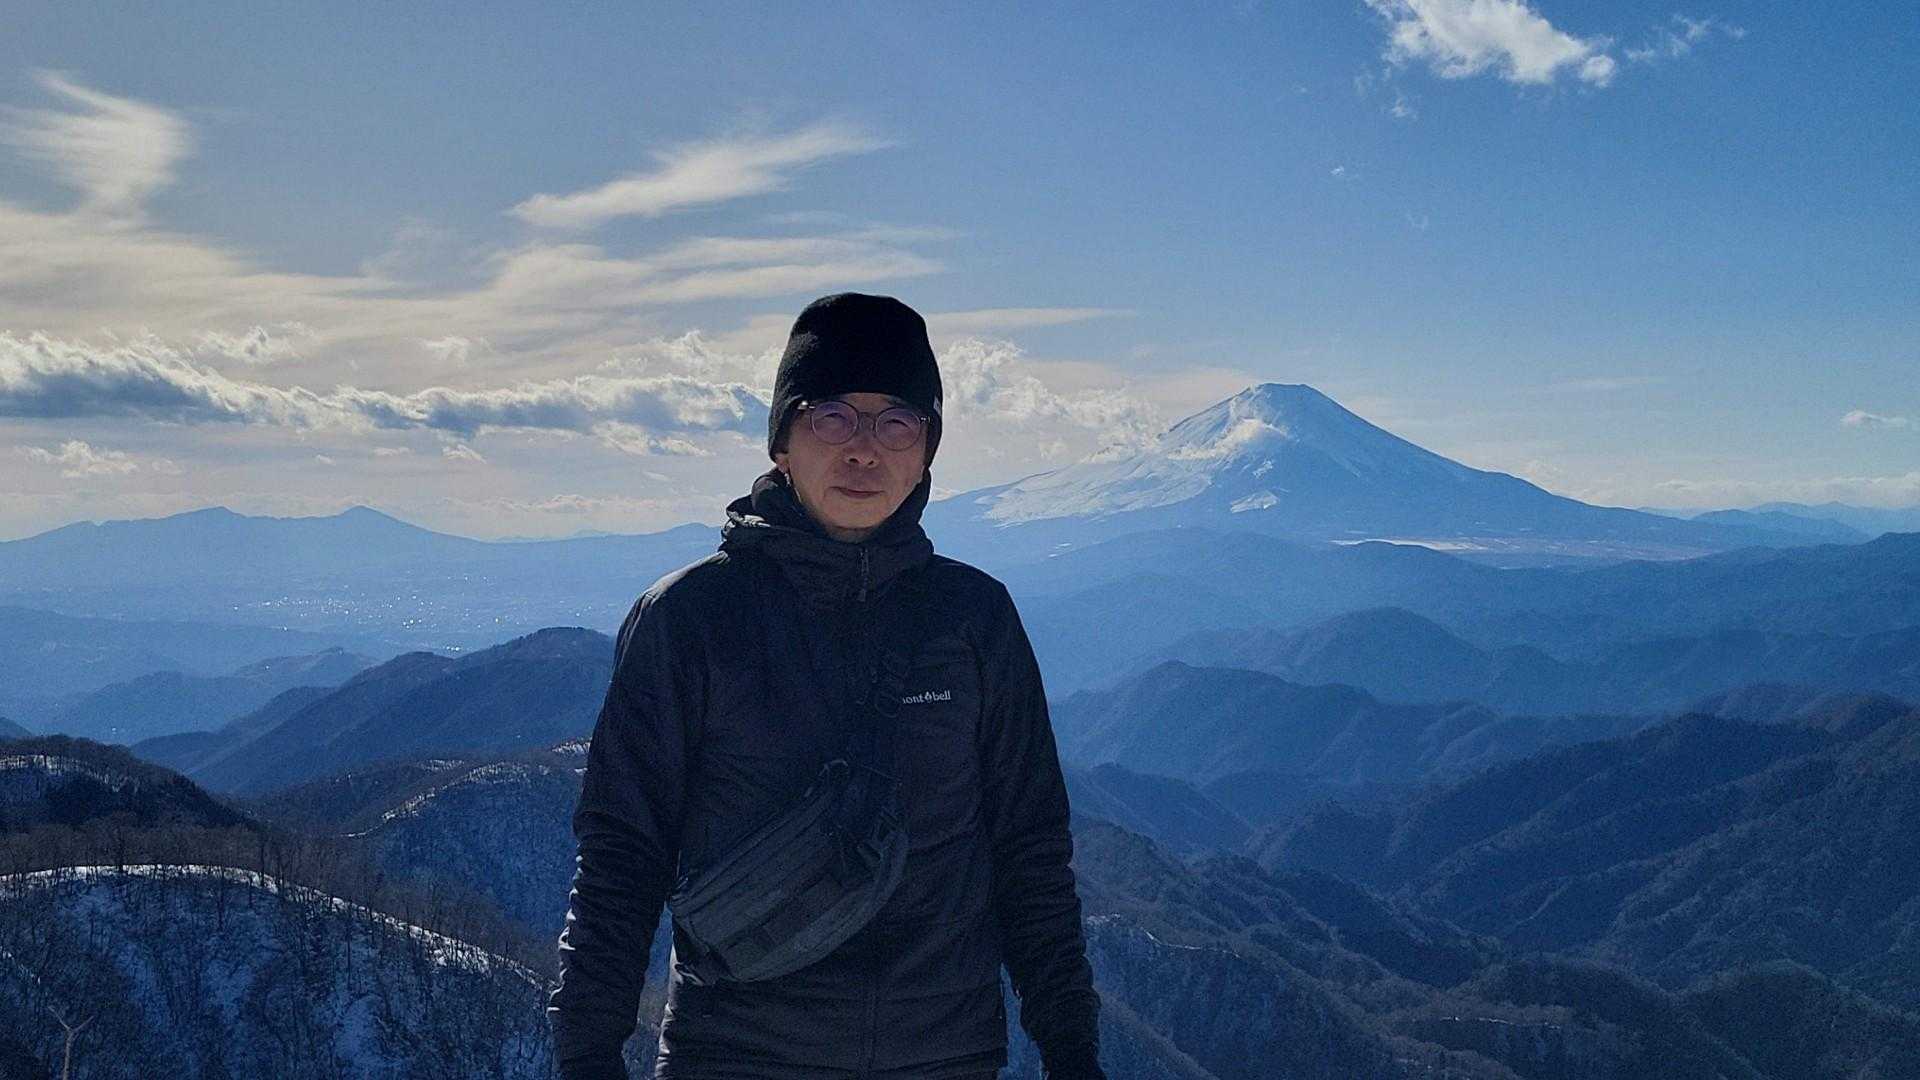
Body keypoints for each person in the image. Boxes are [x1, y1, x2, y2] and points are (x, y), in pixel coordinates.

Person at [548, 293, 1106, 1080]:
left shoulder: (974, 619)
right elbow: (623, 853)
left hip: (945, 1055)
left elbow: (1030, 849)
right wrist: (587, 1054)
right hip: (739, 1056)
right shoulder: (692, 619)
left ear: (926, 452)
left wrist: (1072, 1049)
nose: (864, 451)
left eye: (896, 423)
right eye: (832, 418)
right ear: (783, 443)